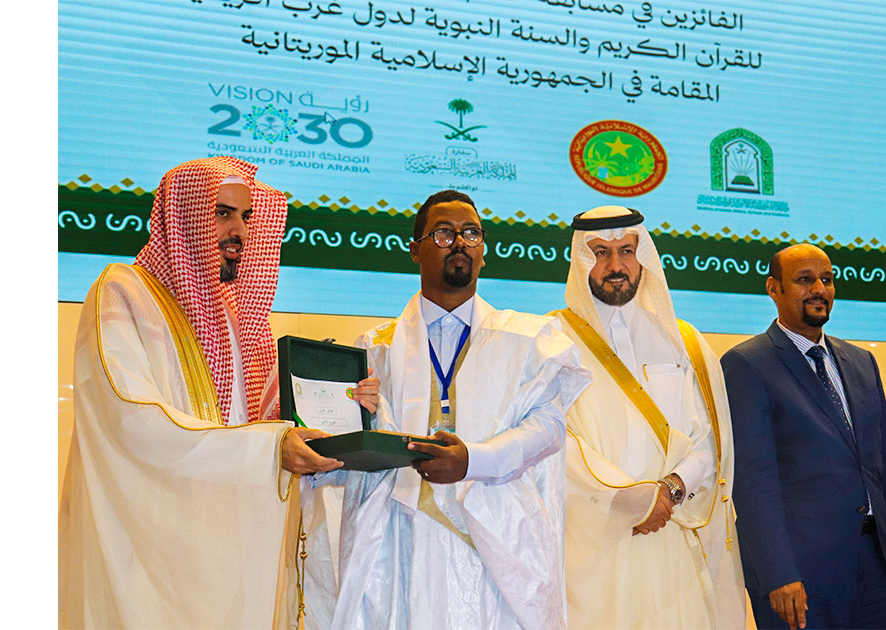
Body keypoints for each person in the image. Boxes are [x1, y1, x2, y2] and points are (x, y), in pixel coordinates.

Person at [59, 156, 378, 628]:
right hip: (153, 550)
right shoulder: (123, 293)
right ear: (183, 217)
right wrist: (270, 448)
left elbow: (265, 420)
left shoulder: (239, 316)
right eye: (222, 213)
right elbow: (133, 421)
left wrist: (344, 403)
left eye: (246, 216)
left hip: (235, 545)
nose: (239, 231)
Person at [316, 189, 590, 629]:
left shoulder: (526, 340)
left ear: (483, 251)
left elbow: (550, 426)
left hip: (496, 540)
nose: (460, 243)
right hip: (400, 538)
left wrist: (474, 460)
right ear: (415, 249)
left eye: (471, 234)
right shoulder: (375, 347)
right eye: (444, 233)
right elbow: (353, 443)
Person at [552, 206, 747, 628]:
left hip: (672, 534)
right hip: (593, 546)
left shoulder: (683, 341)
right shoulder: (552, 342)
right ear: (581, 260)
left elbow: (710, 438)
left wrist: (670, 491)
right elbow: (553, 443)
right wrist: (632, 501)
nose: (615, 265)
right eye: (600, 252)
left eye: (627, 251)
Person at [720, 243, 886, 630]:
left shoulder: (861, 362)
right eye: (804, 280)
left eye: (827, 280)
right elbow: (752, 481)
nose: (819, 289)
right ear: (773, 288)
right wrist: (778, 574)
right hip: (800, 575)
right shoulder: (747, 364)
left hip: (875, 569)